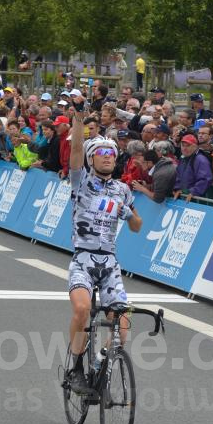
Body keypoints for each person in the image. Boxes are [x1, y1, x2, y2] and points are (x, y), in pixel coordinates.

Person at [66, 105, 142, 394]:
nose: (109, 158)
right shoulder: (81, 181)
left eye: (112, 154)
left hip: (109, 263)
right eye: (102, 153)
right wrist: (79, 121)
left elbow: (137, 227)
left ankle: (98, 364)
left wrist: (129, 215)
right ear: (91, 159)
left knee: (122, 327)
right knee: (83, 310)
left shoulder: (122, 189)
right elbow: (74, 153)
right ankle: (75, 369)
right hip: (83, 258)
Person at [173, 134, 213, 201]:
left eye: (188, 145)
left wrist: (194, 192)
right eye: (183, 145)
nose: (184, 148)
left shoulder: (201, 160)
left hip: (198, 200)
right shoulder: (183, 158)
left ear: (195, 147)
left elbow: (205, 179)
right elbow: (178, 175)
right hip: (185, 197)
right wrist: (177, 189)